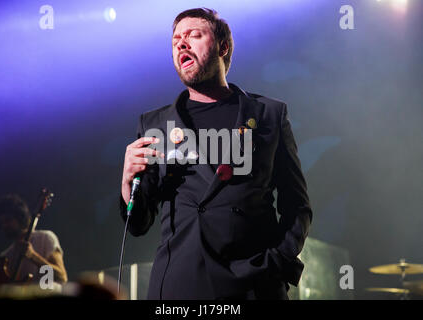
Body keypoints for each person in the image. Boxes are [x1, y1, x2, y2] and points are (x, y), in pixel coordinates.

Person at [120, 8, 312, 300]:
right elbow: (139, 223)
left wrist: (274, 262)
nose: (181, 44)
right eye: (175, 41)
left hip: (253, 283)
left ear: (223, 46)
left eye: (193, 35)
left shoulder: (268, 114)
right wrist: (127, 183)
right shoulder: (155, 125)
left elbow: (296, 205)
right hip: (181, 285)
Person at [0, 194, 68, 285]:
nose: (4, 226)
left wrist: (33, 256)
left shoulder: (45, 238)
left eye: (8, 220)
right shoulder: (4, 259)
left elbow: (61, 276)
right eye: (1, 223)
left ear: (20, 217)